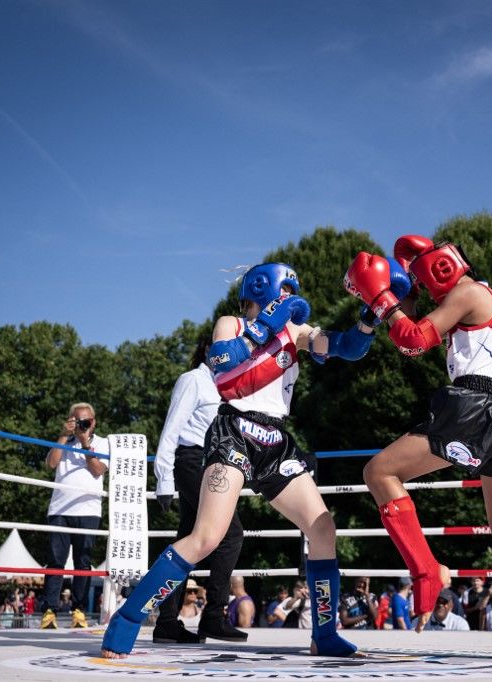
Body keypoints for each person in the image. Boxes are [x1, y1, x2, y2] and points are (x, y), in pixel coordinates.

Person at [101, 263, 369, 659]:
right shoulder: (230, 324)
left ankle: (324, 635)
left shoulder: (296, 333)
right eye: (284, 293)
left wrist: (370, 317)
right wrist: (268, 324)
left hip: (276, 440)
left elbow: (346, 347)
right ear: (267, 292)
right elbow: (223, 364)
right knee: (206, 537)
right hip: (234, 431)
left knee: (323, 529)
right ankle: (125, 620)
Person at [349, 236, 492, 663]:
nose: (424, 291)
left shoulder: (467, 292)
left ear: (440, 267)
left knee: (380, 473)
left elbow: (412, 340)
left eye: (422, 282)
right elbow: (409, 338)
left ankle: (427, 570)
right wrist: (392, 303)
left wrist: (384, 298)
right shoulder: (481, 299)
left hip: (474, 406)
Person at [153, 334, 246, 644]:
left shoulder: (229, 386)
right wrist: (163, 480)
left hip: (214, 464)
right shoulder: (194, 379)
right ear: (208, 349)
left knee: (189, 539)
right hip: (192, 460)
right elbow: (172, 428)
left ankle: (166, 621)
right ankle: (213, 615)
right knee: (229, 534)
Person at [41, 402, 108, 630]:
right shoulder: (63, 440)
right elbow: (51, 464)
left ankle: (78, 611)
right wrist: (63, 435)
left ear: (94, 421)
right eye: (78, 421)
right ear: (70, 420)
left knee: (83, 562)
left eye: (86, 421)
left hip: (88, 510)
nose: (82, 425)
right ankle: (49, 611)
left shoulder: (102, 442)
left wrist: (85, 443)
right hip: (60, 509)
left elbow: (98, 470)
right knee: (55, 561)